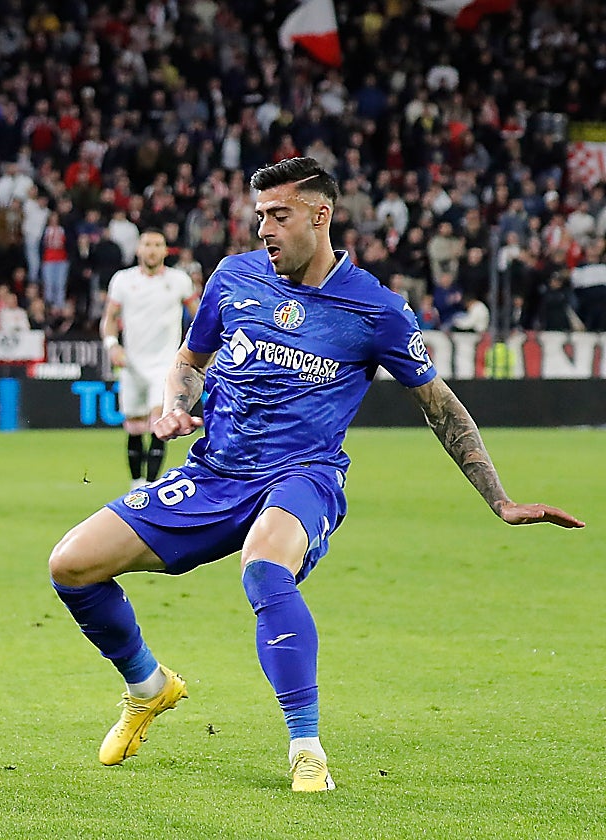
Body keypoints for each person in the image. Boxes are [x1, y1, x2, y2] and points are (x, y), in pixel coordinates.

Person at [47, 158, 583, 793]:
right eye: (260, 216)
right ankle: (148, 686)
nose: (265, 229)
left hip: (303, 476)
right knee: (71, 565)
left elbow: (441, 408)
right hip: (215, 473)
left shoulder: (376, 309)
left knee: (263, 565)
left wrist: (500, 499)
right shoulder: (233, 277)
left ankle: (306, 748)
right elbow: (190, 360)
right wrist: (175, 407)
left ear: (320, 216)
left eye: (280, 216)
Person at [100, 229, 196, 489]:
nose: (152, 250)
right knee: (133, 425)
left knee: (158, 421)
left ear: (165, 250)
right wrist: (112, 346)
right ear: (138, 250)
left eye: (157, 245)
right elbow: (109, 318)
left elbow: (198, 315)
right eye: (147, 245)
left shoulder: (179, 280)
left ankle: (151, 487)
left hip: (165, 363)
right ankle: (136, 485)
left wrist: (195, 350)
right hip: (131, 364)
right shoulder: (123, 280)